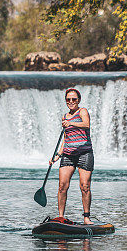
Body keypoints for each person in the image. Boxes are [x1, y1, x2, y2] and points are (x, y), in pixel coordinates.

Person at [49, 88, 94, 224]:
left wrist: (71, 123)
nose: (71, 101)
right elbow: (66, 139)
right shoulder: (64, 117)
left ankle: (86, 217)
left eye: (74, 99)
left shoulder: (82, 111)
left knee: (84, 186)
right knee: (62, 186)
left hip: (84, 153)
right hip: (68, 155)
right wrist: (57, 155)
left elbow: (86, 125)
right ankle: (61, 216)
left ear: (78, 100)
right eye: (68, 99)